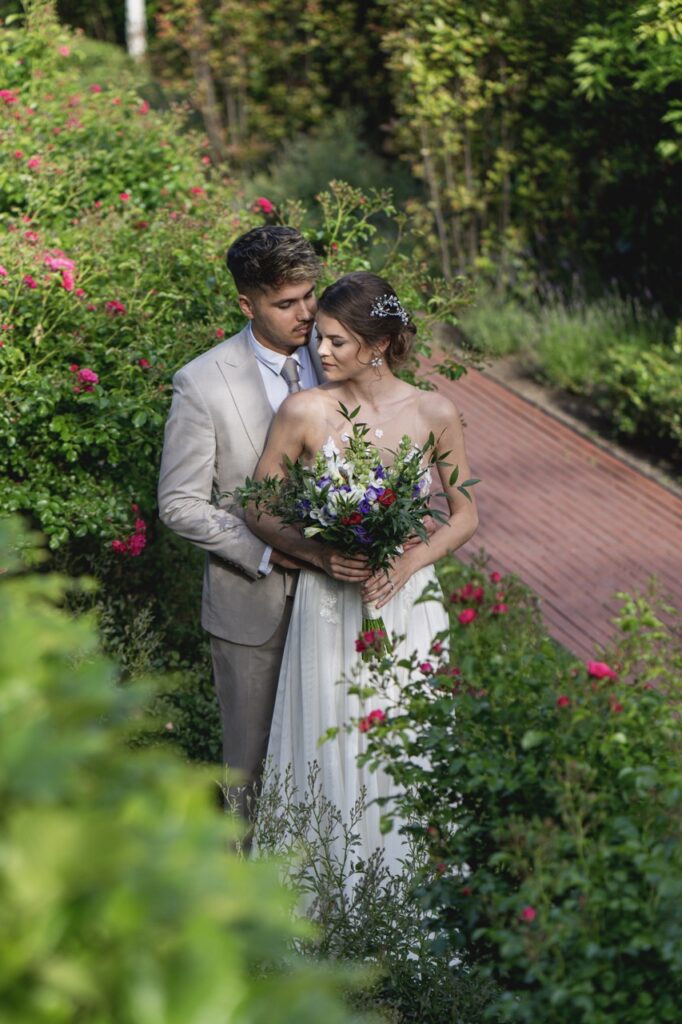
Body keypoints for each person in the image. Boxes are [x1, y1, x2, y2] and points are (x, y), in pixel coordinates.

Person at [246, 271, 479, 871]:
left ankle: (406, 897)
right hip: (330, 605)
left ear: (376, 345)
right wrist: (322, 554)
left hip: (407, 605)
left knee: (403, 741)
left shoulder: (435, 410)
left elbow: (464, 515)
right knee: (328, 742)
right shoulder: (303, 411)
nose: (318, 352)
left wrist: (410, 560)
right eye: (317, 339)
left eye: (335, 342)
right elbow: (257, 508)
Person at [157, 226, 369, 816]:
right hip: (253, 606)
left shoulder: (343, 360)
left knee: (337, 762)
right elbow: (179, 502)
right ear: (246, 304)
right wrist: (272, 551)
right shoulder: (201, 383)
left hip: (344, 599)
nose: (307, 314)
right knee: (248, 772)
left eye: (311, 295)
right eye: (286, 303)